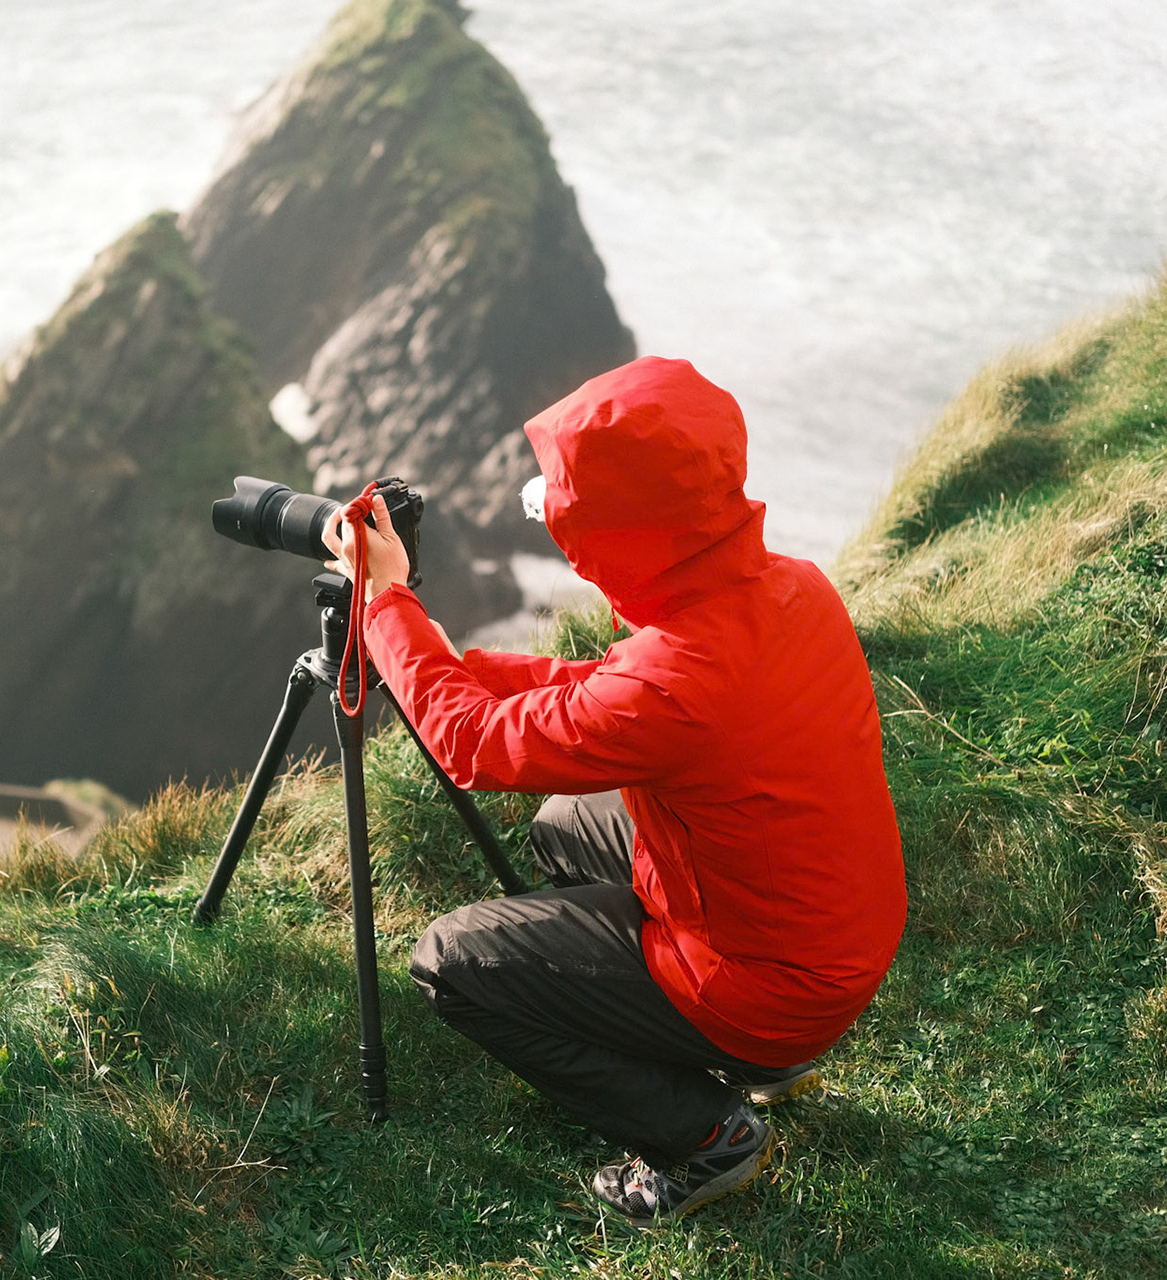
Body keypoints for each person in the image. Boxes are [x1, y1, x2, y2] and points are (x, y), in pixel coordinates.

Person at [322, 356, 906, 1223]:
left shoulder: (675, 685)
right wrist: (446, 657)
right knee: (564, 826)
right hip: (827, 939)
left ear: (631, 532)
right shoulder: (792, 588)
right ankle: (759, 1061)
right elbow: (608, 681)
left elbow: (474, 748)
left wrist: (385, 607)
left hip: (769, 986)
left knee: (451, 963)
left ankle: (706, 1137)